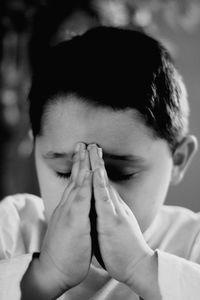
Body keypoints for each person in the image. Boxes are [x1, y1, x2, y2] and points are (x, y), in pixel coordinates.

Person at [0, 26, 200, 300]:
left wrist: (141, 268)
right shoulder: (11, 228)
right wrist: (46, 275)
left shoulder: (193, 241)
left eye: (120, 172)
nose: (94, 194)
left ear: (178, 160)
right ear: (35, 148)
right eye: (66, 170)